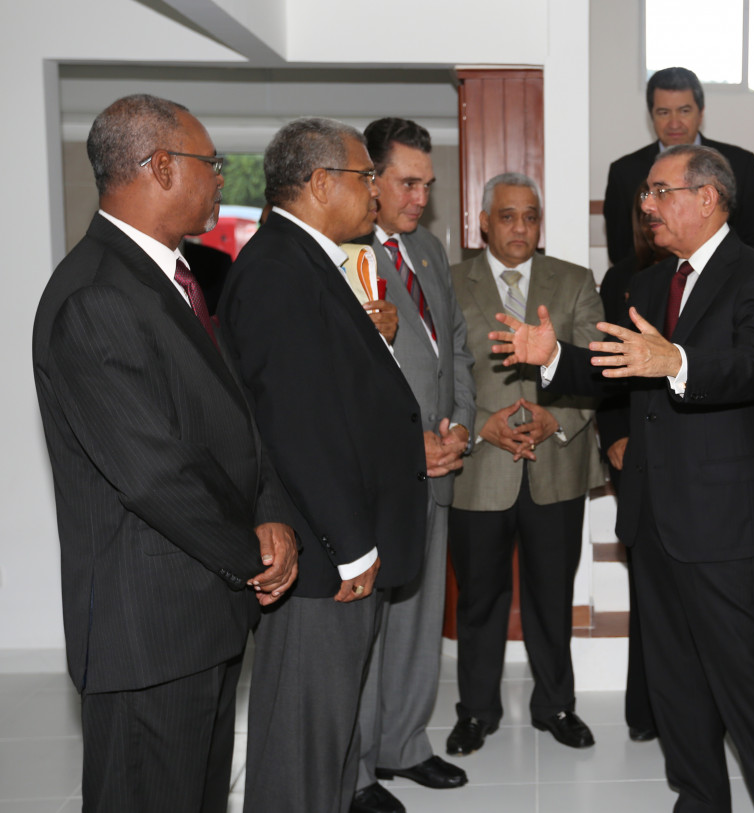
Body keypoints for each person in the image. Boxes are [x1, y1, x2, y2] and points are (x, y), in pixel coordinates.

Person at [493, 144, 754, 813]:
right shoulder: (647, 283)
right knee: (675, 680)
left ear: (708, 198)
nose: (646, 206)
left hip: (726, 524)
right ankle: (698, 799)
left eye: (660, 192)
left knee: (748, 685)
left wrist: (676, 361)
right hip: (652, 514)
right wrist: (553, 357)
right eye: (644, 193)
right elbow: (614, 366)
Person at [32, 94, 298, 813]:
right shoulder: (94, 296)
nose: (221, 178)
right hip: (149, 630)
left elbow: (233, 418)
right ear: (160, 167)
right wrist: (251, 553)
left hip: (201, 610)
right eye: (211, 163)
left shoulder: (173, 275)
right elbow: (154, 474)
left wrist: (270, 509)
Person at [218, 118, 432, 813]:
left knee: (331, 739)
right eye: (365, 176)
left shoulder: (310, 261)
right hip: (320, 555)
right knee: (302, 747)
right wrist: (352, 545)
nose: (375, 191)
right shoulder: (279, 271)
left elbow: (334, 388)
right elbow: (297, 426)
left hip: (334, 543)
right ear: (319, 183)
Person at [446, 172, 604, 755]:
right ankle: (476, 711)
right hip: (478, 468)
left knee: (551, 598)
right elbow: (440, 371)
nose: (520, 227)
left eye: (530, 216)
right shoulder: (449, 281)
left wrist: (555, 420)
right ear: (484, 222)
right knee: (478, 599)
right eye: (508, 216)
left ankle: (556, 706)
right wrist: (478, 426)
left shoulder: (575, 280)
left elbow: (596, 366)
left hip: (554, 464)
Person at [347, 117, 477, 813]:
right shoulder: (342, 252)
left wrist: (459, 425)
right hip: (378, 473)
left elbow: (452, 346)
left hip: (439, 462)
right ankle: (358, 767)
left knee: (421, 616)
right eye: (407, 183)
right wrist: (408, 443)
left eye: (427, 184)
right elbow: (341, 379)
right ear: (370, 180)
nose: (421, 197)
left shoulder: (426, 248)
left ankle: (403, 742)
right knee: (368, 626)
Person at [597, 179, 671, 743]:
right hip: (637, 453)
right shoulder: (623, 278)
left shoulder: (721, 275)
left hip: (695, 458)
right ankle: (646, 710)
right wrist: (614, 435)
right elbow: (605, 369)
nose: (653, 213)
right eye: (645, 205)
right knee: (648, 591)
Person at [603, 66, 754, 263]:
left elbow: (750, 245)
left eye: (684, 111)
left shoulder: (740, 165)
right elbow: (620, 253)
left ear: (701, 113)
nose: (674, 123)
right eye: (663, 112)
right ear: (651, 115)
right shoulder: (624, 172)